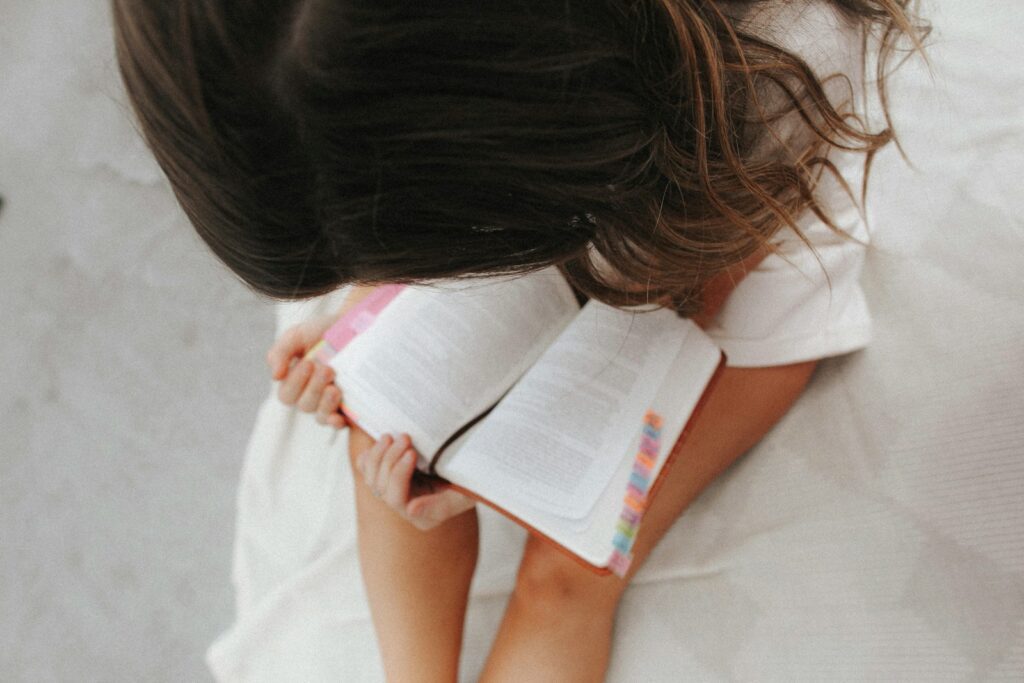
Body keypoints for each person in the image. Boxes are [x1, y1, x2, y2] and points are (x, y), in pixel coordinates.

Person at [112, 0, 927, 680]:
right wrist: (368, 312)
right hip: (541, 192)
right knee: (388, 433)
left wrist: (504, 471)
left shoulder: (782, 56)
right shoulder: (347, 68)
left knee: (571, 567)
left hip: (718, 240)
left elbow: (702, 290)